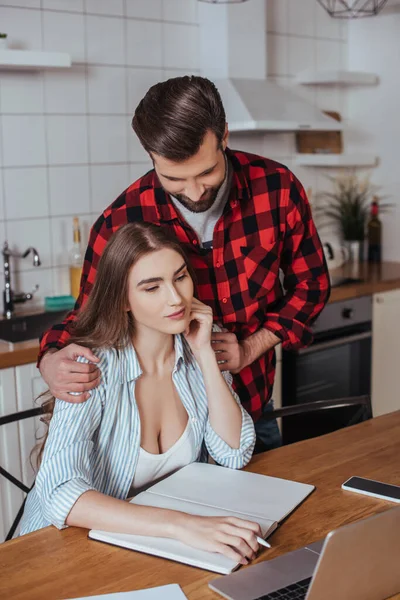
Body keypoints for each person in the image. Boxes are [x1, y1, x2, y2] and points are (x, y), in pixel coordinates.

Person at [38, 76, 330, 452]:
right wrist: (49, 361)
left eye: (207, 173)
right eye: (174, 178)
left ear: (223, 136)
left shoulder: (277, 188)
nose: (194, 193)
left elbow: (312, 285)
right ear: (151, 156)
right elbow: (87, 317)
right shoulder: (123, 218)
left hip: (252, 414)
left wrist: (250, 347)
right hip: (170, 434)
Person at [20, 223, 259, 565]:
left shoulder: (201, 341)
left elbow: (234, 453)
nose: (175, 298)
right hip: (58, 555)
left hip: (144, 549)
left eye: (180, 277)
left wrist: (206, 354)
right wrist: (183, 526)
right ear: (123, 301)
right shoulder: (89, 366)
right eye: (152, 288)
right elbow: (60, 495)